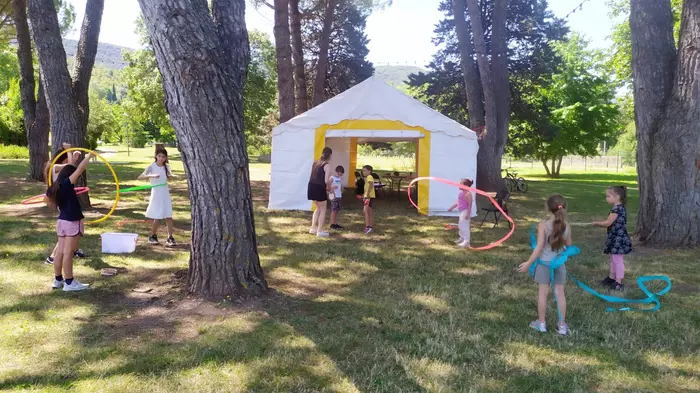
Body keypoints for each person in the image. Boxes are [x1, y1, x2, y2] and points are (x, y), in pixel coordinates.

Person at [517, 194, 572, 335]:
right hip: (559, 264)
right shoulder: (567, 226)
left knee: (543, 293)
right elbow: (569, 245)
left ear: (548, 208)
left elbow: (539, 246)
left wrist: (529, 263)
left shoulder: (543, 225)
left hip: (544, 264)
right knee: (560, 293)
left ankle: (541, 324)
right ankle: (561, 326)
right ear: (563, 207)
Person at [44, 150, 95, 291]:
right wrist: (89, 156)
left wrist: (55, 204)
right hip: (72, 221)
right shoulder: (67, 183)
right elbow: (80, 169)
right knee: (68, 253)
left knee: (60, 252)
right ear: (69, 175)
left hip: (61, 221)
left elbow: (45, 199)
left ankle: (58, 280)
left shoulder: (55, 186)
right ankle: (69, 282)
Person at [45, 144, 87, 265]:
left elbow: (70, 166)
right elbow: (70, 167)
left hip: (62, 197)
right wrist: (70, 152)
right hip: (62, 199)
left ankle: (73, 250)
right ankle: (53, 256)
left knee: (74, 228)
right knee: (69, 230)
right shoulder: (54, 166)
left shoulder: (57, 167)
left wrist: (72, 156)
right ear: (61, 158)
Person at [591, 186, 632, 291]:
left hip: (618, 239)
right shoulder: (619, 207)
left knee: (617, 260)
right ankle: (611, 278)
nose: (606, 198)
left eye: (608, 196)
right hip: (615, 237)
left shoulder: (616, 209)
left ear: (617, 197)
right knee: (613, 259)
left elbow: (608, 223)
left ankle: (618, 282)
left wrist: (596, 223)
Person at [139, 148, 176, 246]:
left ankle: (170, 237)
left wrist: (173, 176)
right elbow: (140, 177)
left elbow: (169, 177)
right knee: (157, 216)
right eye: (159, 156)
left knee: (168, 216)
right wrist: (152, 176)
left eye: (163, 157)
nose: (161, 158)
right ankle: (153, 236)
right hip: (156, 192)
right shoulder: (151, 166)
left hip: (165, 192)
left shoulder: (167, 167)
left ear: (166, 158)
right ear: (156, 156)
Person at [307, 147, 332, 237]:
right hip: (319, 188)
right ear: (330, 155)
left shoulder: (315, 163)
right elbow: (326, 181)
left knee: (318, 208)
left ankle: (313, 228)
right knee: (323, 209)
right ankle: (320, 230)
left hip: (311, 187)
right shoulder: (327, 165)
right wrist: (330, 187)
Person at [448, 178, 474, 248]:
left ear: (465, 186)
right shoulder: (461, 193)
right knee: (460, 225)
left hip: (465, 211)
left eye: (460, 184)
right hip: (461, 211)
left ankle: (466, 241)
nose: (458, 185)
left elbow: (469, 205)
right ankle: (462, 238)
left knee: (464, 226)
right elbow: (458, 202)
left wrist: (468, 214)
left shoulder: (468, 194)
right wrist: (452, 207)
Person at [329, 165, 345, 230]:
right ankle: (332, 224)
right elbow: (327, 185)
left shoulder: (339, 178)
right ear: (336, 171)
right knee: (334, 210)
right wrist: (332, 188)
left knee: (336, 210)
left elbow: (340, 185)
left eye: (340, 175)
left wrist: (341, 188)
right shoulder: (332, 178)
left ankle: (335, 223)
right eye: (338, 174)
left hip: (339, 195)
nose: (339, 175)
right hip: (334, 196)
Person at [362, 165, 375, 234]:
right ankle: (370, 226)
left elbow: (371, 185)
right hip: (368, 196)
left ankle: (368, 227)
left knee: (366, 211)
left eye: (364, 170)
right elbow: (367, 187)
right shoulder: (367, 177)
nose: (363, 172)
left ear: (369, 171)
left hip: (369, 197)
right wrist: (364, 195)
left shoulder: (369, 177)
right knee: (368, 211)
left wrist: (367, 195)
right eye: (362, 170)